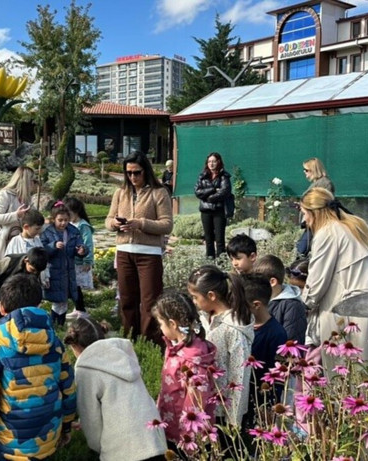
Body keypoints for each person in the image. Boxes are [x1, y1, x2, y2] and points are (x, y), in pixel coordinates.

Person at [0, 274, 77, 460]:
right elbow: (68, 389)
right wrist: (66, 426)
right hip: (49, 437)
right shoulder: (54, 342)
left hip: (11, 447)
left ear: (1, 307)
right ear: (39, 305)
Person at [300, 187, 368, 360]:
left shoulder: (328, 233)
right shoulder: (358, 224)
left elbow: (316, 283)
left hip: (352, 315)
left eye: (304, 213)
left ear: (314, 213)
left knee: (348, 370)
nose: (304, 220)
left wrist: (302, 304)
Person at [64, 316, 167, 461]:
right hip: (154, 440)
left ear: (74, 344)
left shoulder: (85, 369)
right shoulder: (123, 354)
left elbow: (91, 422)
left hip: (124, 450)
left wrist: (102, 448)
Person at [106, 151, 173, 345]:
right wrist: (114, 224)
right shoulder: (120, 193)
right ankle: (130, 341)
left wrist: (141, 223)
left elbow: (167, 224)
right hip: (124, 251)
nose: (132, 177)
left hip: (149, 253)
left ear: (146, 171)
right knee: (127, 300)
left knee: (150, 302)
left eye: (137, 172)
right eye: (128, 173)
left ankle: (149, 344)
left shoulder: (159, 192)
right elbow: (108, 219)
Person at [188, 265, 253, 428]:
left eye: (195, 297)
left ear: (211, 296)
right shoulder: (204, 319)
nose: (194, 302)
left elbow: (239, 374)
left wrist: (233, 421)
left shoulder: (232, 329)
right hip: (202, 402)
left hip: (223, 412)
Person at [152, 291, 217, 452]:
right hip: (171, 421)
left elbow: (196, 400)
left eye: (161, 324)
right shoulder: (175, 346)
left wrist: (188, 437)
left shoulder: (192, 358)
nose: (160, 329)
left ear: (172, 324)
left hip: (186, 434)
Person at [240, 274, 287, 431]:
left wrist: (269, 406)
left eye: (240, 305)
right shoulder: (242, 327)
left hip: (260, 401)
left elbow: (277, 376)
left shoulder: (276, 334)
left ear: (256, 305)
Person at [41, 202, 87, 326]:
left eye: (66, 220)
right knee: (58, 299)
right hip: (54, 271)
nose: (63, 223)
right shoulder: (47, 232)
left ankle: (59, 323)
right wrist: (53, 246)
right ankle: (54, 323)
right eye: (60, 220)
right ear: (53, 219)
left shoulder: (73, 231)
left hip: (68, 271)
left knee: (64, 298)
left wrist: (82, 250)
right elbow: (42, 249)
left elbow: (81, 244)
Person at [0, 166, 37, 268]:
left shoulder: (27, 199)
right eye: (33, 181)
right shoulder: (5, 194)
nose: (34, 184)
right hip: (4, 241)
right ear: (26, 181)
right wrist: (16, 215)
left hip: (20, 242)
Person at [253, 255, 307, 345]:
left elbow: (291, 342)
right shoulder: (258, 301)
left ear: (272, 282)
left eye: (257, 282)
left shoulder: (292, 306)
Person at [0, 248, 49, 318]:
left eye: (37, 272)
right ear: (26, 260)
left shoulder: (38, 268)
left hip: (20, 303)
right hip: (0, 297)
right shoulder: (10, 261)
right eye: (32, 270)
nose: (34, 273)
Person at [194, 152, 232, 259]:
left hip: (218, 211)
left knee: (219, 239)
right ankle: (209, 260)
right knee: (208, 238)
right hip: (205, 211)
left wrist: (209, 198)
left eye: (214, 161)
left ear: (218, 162)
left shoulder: (224, 176)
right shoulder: (202, 176)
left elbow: (224, 192)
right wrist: (213, 189)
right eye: (209, 161)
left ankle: (221, 262)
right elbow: (197, 191)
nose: (211, 164)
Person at [64, 196, 95, 313]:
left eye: (69, 213)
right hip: (70, 261)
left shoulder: (83, 226)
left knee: (76, 287)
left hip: (79, 262)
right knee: (72, 286)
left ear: (76, 211)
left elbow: (88, 244)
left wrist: (87, 260)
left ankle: (81, 310)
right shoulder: (69, 224)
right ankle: (77, 308)